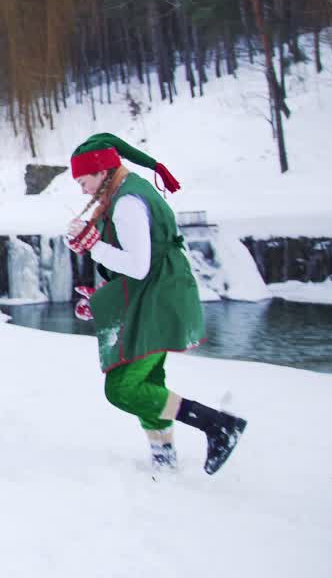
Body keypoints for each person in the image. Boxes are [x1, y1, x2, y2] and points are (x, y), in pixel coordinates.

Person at [66, 133, 247, 474]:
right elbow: (135, 267)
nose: (82, 189)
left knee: (122, 387)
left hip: (159, 296)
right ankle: (163, 460)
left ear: (103, 171)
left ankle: (217, 425)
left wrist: (93, 246)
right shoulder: (121, 193)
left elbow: (138, 265)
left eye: (84, 179)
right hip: (156, 292)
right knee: (148, 380)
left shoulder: (128, 203)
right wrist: (103, 298)